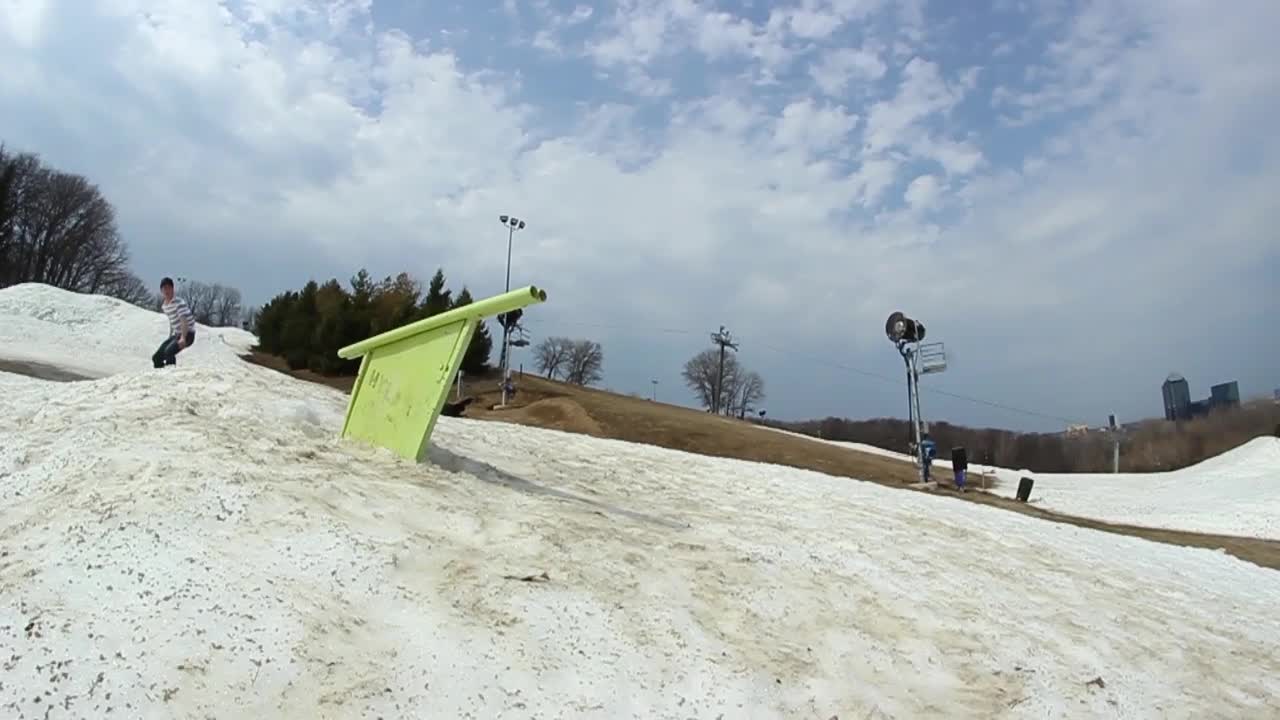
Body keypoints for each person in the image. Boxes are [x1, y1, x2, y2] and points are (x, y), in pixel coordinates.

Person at [153, 277, 196, 368]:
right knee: (156, 357)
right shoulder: (165, 306)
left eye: (169, 288)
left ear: (173, 289)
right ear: (161, 291)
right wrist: (170, 338)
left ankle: (171, 375)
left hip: (188, 334)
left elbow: (183, 320)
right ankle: (159, 376)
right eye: (164, 289)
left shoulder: (179, 302)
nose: (167, 291)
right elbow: (172, 321)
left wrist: (183, 338)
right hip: (176, 334)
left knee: (169, 352)